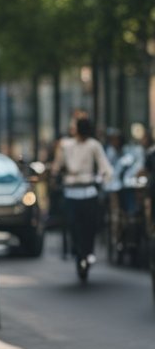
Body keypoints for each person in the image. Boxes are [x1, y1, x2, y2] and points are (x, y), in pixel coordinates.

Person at [51, 116, 112, 273]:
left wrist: (102, 178)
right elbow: (58, 166)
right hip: (73, 190)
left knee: (89, 225)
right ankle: (78, 249)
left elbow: (104, 166)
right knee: (73, 223)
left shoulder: (93, 145)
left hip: (87, 189)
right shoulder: (66, 145)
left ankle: (87, 251)